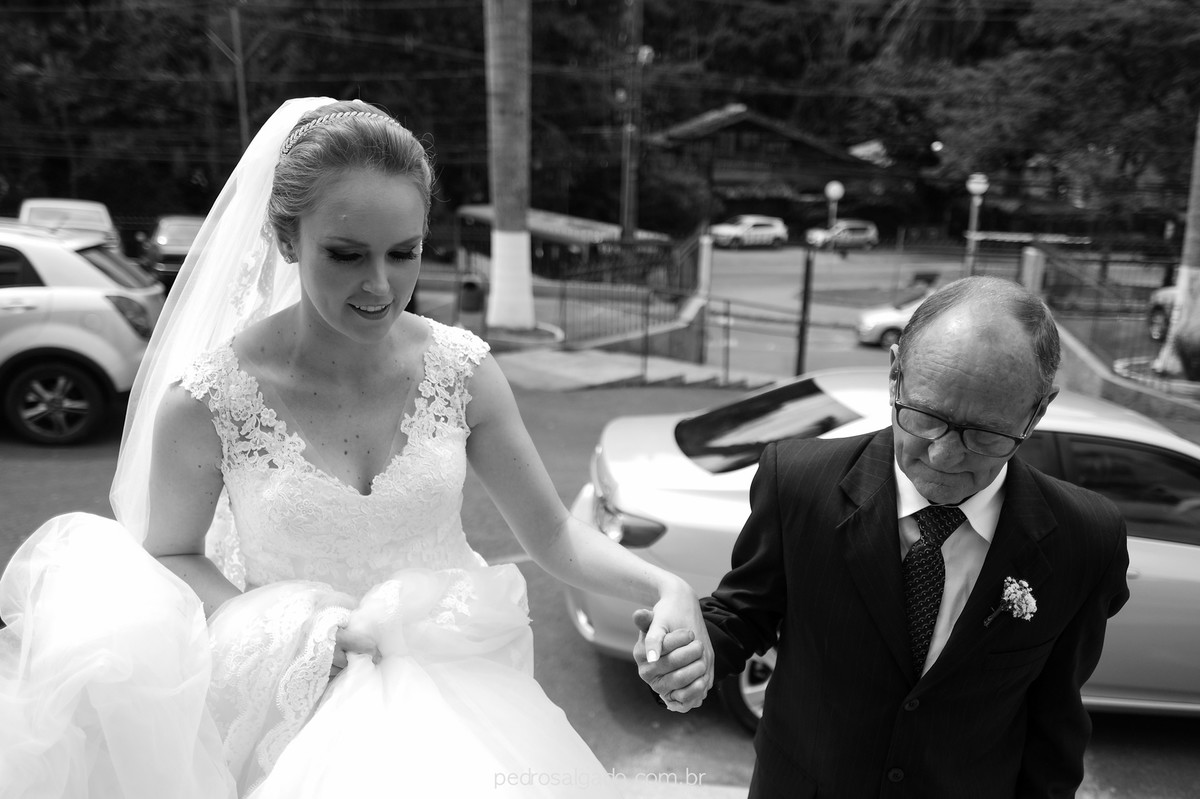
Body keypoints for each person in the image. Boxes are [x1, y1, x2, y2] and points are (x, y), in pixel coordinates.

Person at [0, 97, 707, 798]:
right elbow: (170, 554)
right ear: (286, 241)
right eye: (345, 255)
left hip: (463, 697)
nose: (380, 285)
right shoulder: (209, 401)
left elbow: (551, 533)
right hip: (296, 711)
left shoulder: (462, 371)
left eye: (405, 253)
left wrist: (666, 587)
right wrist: (289, 634)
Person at [636, 276, 1130, 798]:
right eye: (925, 418)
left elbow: (1055, 723)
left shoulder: (1086, 539)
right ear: (895, 374)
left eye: (986, 434)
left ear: (1038, 410)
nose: (943, 456)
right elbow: (744, 613)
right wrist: (688, 654)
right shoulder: (798, 481)